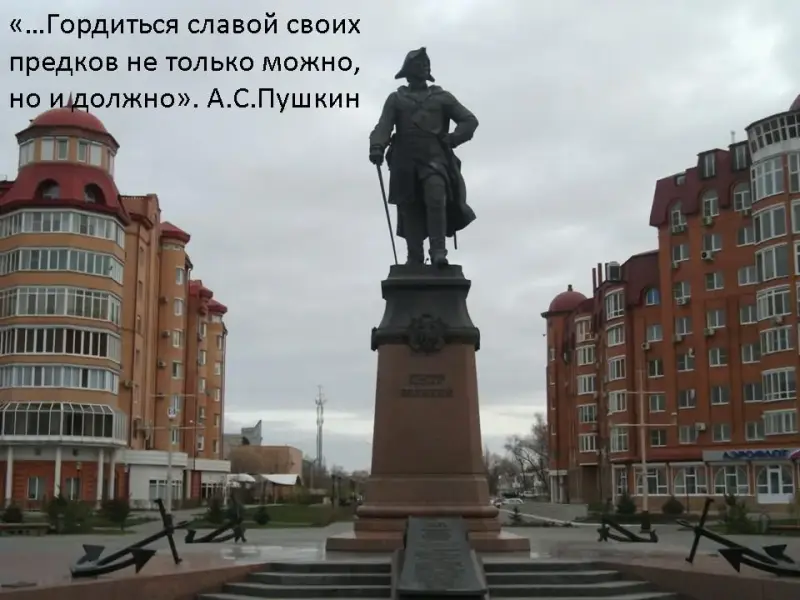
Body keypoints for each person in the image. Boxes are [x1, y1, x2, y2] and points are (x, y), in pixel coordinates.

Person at [369, 48, 478, 267]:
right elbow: (384, 125)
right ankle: (414, 256)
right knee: (410, 207)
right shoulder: (396, 99)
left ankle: (438, 252)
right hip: (404, 161)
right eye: (420, 65)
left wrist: (453, 139)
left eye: (426, 64)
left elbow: (469, 121)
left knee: (436, 197)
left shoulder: (441, 97)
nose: (425, 68)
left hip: (435, 158)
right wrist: (377, 146)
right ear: (409, 70)